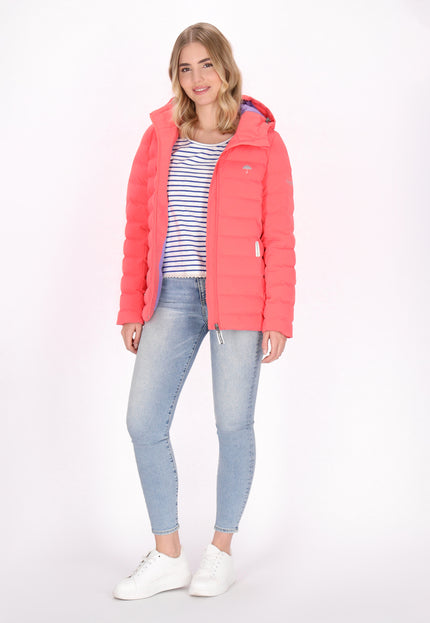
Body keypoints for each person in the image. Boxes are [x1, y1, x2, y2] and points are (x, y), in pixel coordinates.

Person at [113, 22, 296, 600]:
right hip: (170, 295)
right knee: (144, 422)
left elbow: (279, 236)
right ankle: (168, 555)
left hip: (237, 301)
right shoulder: (159, 137)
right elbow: (139, 228)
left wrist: (278, 315)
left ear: (225, 66)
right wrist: (132, 305)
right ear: (176, 75)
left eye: (206, 65)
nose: (197, 78)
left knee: (233, 424)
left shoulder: (261, 140)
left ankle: (221, 551)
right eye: (185, 68)